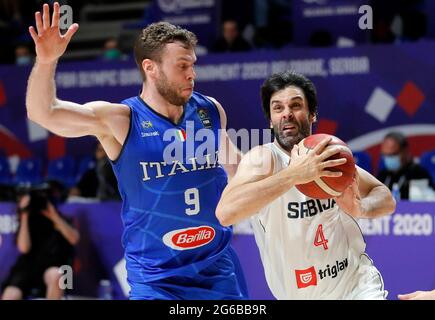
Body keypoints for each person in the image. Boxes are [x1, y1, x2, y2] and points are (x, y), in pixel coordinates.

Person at [26, 3, 247, 300]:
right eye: (182, 65)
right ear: (150, 67)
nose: (192, 73)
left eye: (193, 64)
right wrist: (46, 61)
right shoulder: (120, 119)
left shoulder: (209, 109)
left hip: (217, 272)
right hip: (157, 281)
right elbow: (44, 113)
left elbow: (238, 170)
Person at [216, 71, 396, 299]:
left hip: (357, 286)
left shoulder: (327, 153)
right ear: (270, 120)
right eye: (278, 108)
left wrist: (362, 209)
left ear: (312, 114)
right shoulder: (263, 160)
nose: (287, 114)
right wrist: (294, 174)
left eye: (296, 105)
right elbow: (225, 213)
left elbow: (384, 196)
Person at [1, 186, 79, 300]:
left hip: (56, 264)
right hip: (28, 266)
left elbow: (74, 239)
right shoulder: (29, 220)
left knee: (57, 275)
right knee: (11, 295)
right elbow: (24, 248)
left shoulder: (62, 220)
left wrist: (53, 216)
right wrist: (24, 214)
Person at [377, 131, 434, 200]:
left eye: (393, 155)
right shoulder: (383, 175)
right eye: (385, 155)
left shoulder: (418, 173)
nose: (388, 159)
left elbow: (421, 202)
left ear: (405, 151)